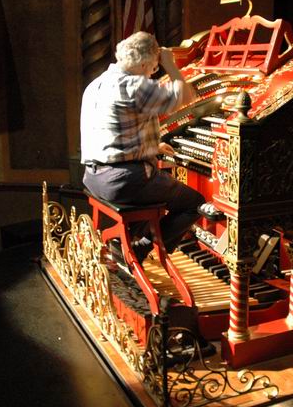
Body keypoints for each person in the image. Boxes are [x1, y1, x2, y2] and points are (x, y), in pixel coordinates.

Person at [80, 31, 205, 263]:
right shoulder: (134, 86)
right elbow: (186, 95)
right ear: (146, 62)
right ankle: (140, 250)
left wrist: (153, 147)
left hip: (93, 177)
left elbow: (111, 133)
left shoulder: (96, 84)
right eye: (154, 68)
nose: (153, 73)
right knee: (194, 203)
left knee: (153, 191)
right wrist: (170, 64)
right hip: (124, 181)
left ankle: (121, 243)